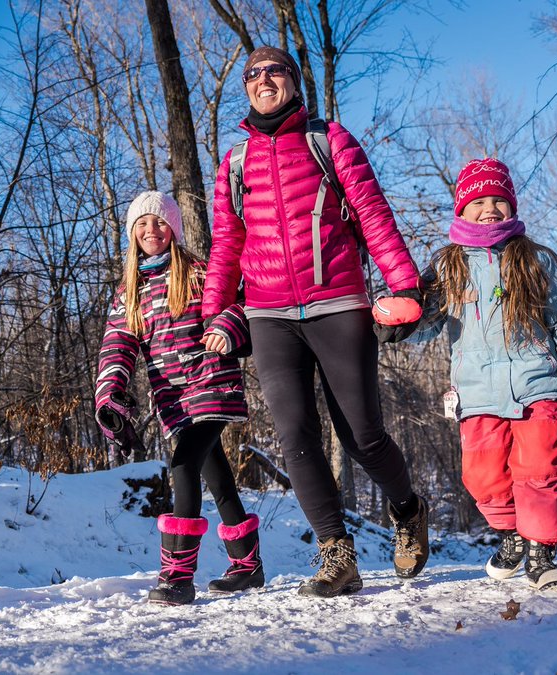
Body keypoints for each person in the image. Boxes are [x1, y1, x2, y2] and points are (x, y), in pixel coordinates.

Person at [202, 46, 430, 598]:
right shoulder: (234, 162)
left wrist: (403, 284)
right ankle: (337, 555)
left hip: (337, 301)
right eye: (252, 74)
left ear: (293, 81)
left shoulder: (329, 140)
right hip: (268, 314)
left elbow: (373, 212)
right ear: (246, 88)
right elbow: (228, 245)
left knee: (363, 436)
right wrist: (215, 314)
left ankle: (408, 509)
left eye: (273, 71)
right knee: (295, 436)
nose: (263, 80)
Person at [394, 158, 557, 592]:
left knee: (541, 471)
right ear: (461, 210)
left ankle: (541, 556)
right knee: (483, 477)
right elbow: (425, 321)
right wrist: (398, 325)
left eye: (499, 201)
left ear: (512, 207)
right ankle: (511, 535)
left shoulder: (537, 260)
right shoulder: (447, 267)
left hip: (537, 387)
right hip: (476, 394)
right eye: (478, 201)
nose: (490, 208)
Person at [95, 191, 260, 606]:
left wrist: (227, 325)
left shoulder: (202, 273)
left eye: (160, 222)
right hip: (171, 396)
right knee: (216, 475)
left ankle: (177, 576)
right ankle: (248, 566)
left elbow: (242, 301)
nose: (152, 231)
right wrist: (111, 393)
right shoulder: (128, 292)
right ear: (132, 233)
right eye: (143, 224)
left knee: (183, 464)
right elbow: (117, 346)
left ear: (175, 229)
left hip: (211, 381)